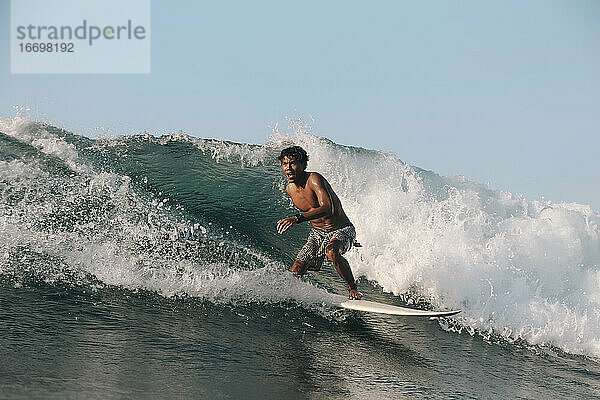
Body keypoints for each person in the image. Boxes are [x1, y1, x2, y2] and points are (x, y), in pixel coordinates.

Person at [276, 146, 362, 299]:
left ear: (303, 165)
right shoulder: (290, 189)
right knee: (297, 268)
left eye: (293, 163)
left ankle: (353, 289)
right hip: (317, 234)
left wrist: (297, 218)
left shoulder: (314, 179)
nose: (288, 168)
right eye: (285, 164)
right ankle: (286, 295)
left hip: (341, 229)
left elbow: (328, 208)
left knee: (331, 251)